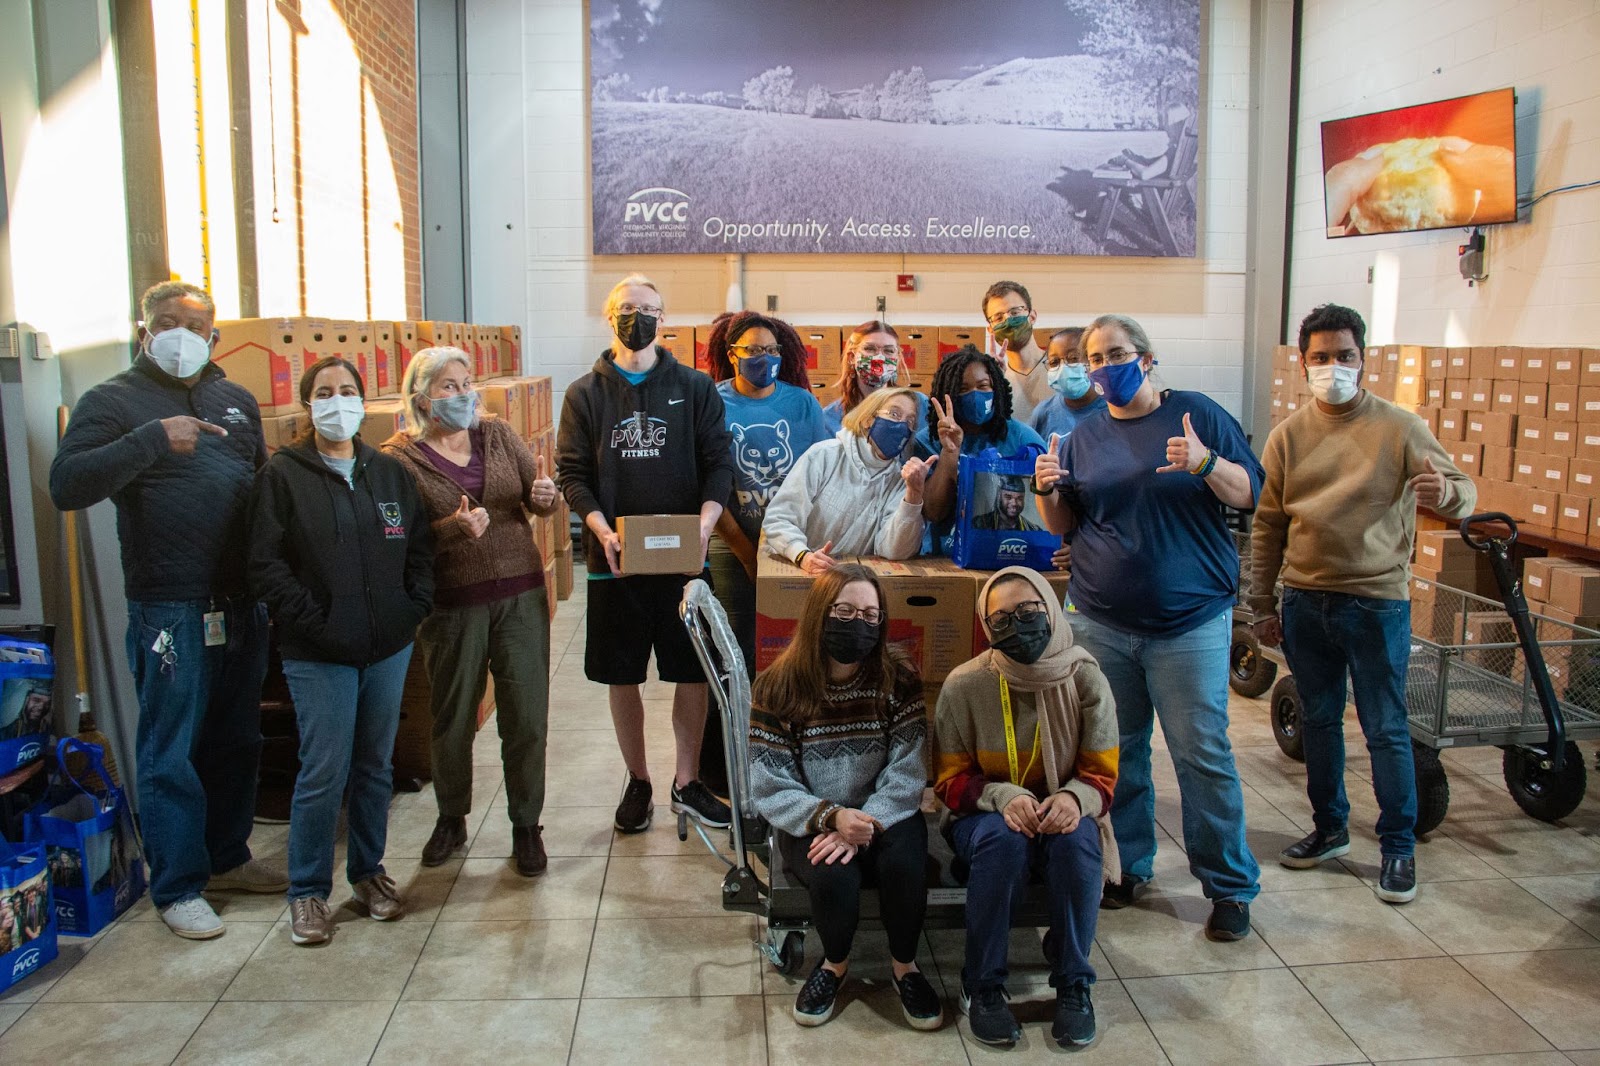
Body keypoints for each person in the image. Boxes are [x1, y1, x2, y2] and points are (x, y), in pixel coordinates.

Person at [49, 280, 284, 940]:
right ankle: (177, 884)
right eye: (169, 321)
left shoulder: (235, 400)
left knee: (238, 739)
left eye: (197, 323)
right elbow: (67, 484)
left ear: (214, 334)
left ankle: (226, 858)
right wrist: (151, 440)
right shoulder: (115, 401)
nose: (183, 332)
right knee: (170, 750)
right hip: (169, 607)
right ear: (145, 329)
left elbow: (261, 491)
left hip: (240, 603)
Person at [1034, 313, 1264, 942]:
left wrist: (1205, 461)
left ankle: (1228, 885)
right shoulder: (1083, 437)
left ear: (1147, 357)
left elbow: (1250, 494)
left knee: (1201, 754)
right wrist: (1046, 489)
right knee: (1119, 751)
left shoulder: (1197, 414)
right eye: (1094, 357)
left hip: (1189, 624)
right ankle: (1127, 866)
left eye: (1115, 354)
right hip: (1104, 621)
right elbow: (1063, 526)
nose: (1104, 367)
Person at [1249, 304, 1476, 905]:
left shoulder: (1400, 427)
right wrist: (1261, 601)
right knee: (1320, 723)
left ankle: (1398, 847)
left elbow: (1464, 495)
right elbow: (1267, 526)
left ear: (1363, 359)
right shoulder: (1287, 437)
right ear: (1304, 365)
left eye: (1343, 356)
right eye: (1320, 358)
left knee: (1384, 728)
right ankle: (1329, 830)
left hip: (1375, 604)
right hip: (1303, 601)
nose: (1332, 368)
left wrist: (1445, 492)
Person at [249, 357, 435, 945]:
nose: (338, 401)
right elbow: (266, 564)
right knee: (323, 772)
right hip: (318, 651)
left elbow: (419, 547)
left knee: (374, 766)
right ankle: (307, 891)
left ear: (363, 400)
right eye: (324, 392)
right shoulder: (284, 475)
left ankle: (368, 873)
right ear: (308, 406)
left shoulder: (388, 473)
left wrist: (412, 606)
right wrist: (313, 621)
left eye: (348, 391)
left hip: (387, 647)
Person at [557, 274, 736, 834]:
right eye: (628, 307)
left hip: (684, 560)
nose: (639, 316)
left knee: (692, 671)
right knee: (622, 673)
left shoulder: (695, 386)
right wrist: (601, 530)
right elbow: (573, 475)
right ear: (610, 316)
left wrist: (706, 527)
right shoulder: (584, 394)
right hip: (615, 562)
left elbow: (718, 464)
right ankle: (638, 780)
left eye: (649, 308)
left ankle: (687, 783)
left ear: (665, 317)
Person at [383, 346, 560, 875]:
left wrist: (547, 496)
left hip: (521, 597)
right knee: (453, 719)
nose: (463, 395)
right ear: (421, 398)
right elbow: (397, 540)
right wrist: (450, 531)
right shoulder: (399, 458)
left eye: (466, 383)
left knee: (527, 717)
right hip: (453, 606)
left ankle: (526, 825)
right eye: (448, 387)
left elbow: (536, 497)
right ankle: (451, 817)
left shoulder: (497, 434)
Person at [748, 563, 940, 1031]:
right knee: (834, 877)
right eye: (846, 610)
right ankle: (834, 966)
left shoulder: (898, 677)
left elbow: (909, 767)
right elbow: (770, 782)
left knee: (906, 866)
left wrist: (866, 821)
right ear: (820, 614)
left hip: (884, 811)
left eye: (871, 615)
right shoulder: (778, 685)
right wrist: (832, 818)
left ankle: (905, 968)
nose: (859, 624)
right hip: (812, 819)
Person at [935, 568, 1119, 1049]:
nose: (1017, 626)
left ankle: (1073, 982)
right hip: (983, 819)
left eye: (1029, 612)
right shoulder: (964, 685)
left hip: (1063, 811)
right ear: (985, 627)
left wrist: (1074, 798)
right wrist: (1002, 796)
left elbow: (1102, 776)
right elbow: (948, 783)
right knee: (1003, 837)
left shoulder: (1086, 679)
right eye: (1001, 619)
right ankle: (983, 985)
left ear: (1051, 611)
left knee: (1079, 837)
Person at [702, 311, 830, 677]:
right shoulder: (712, 402)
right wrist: (746, 555)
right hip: (732, 539)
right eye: (755, 349)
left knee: (793, 645)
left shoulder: (802, 403)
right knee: (736, 648)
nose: (766, 357)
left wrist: (798, 549)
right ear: (732, 354)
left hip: (794, 545)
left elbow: (821, 476)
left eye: (773, 349)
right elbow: (709, 488)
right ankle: (739, 728)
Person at [761, 388, 936, 572]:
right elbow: (779, 518)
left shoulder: (899, 480)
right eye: (894, 414)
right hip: (800, 571)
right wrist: (802, 555)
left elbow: (894, 551)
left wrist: (914, 495)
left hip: (853, 585)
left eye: (910, 421)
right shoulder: (824, 455)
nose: (902, 425)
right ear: (868, 419)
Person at [916, 345, 1047, 555]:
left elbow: (1047, 500)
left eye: (983, 386)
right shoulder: (928, 439)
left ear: (996, 388)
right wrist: (950, 452)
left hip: (1011, 552)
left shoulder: (1022, 436)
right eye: (963, 389)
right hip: (945, 557)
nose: (974, 395)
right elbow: (934, 512)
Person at [822, 321, 929, 436]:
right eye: (870, 349)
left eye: (888, 351)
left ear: (897, 358)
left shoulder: (919, 405)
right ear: (852, 357)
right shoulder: (829, 418)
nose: (879, 357)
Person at [982, 281, 1051, 424]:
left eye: (1015, 312)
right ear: (990, 330)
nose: (1008, 321)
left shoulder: (1060, 372)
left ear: (1032, 316)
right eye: (999, 318)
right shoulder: (997, 381)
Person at [1029, 328, 1108, 442]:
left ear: (1093, 360)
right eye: (1054, 362)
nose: (1063, 368)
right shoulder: (1044, 413)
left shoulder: (1112, 408)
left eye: (1073, 358)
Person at [971, 477, 1042, 531]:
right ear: (999, 496)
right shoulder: (979, 524)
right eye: (1008, 497)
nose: (1014, 503)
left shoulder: (1033, 530)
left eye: (1019, 498)